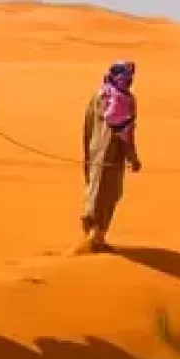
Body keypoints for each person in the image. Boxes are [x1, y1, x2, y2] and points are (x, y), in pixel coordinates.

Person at [80, 60, 141, 251]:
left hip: (94, 151)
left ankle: (91, 226)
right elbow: (125, 133)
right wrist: (132, 157)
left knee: (94, 188)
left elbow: (87, 125)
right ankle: (96, 238)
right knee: (110, 193)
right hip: (112, 155)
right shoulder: (124, 100)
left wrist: (90, 149)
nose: (129, 80)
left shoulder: (99, 94)